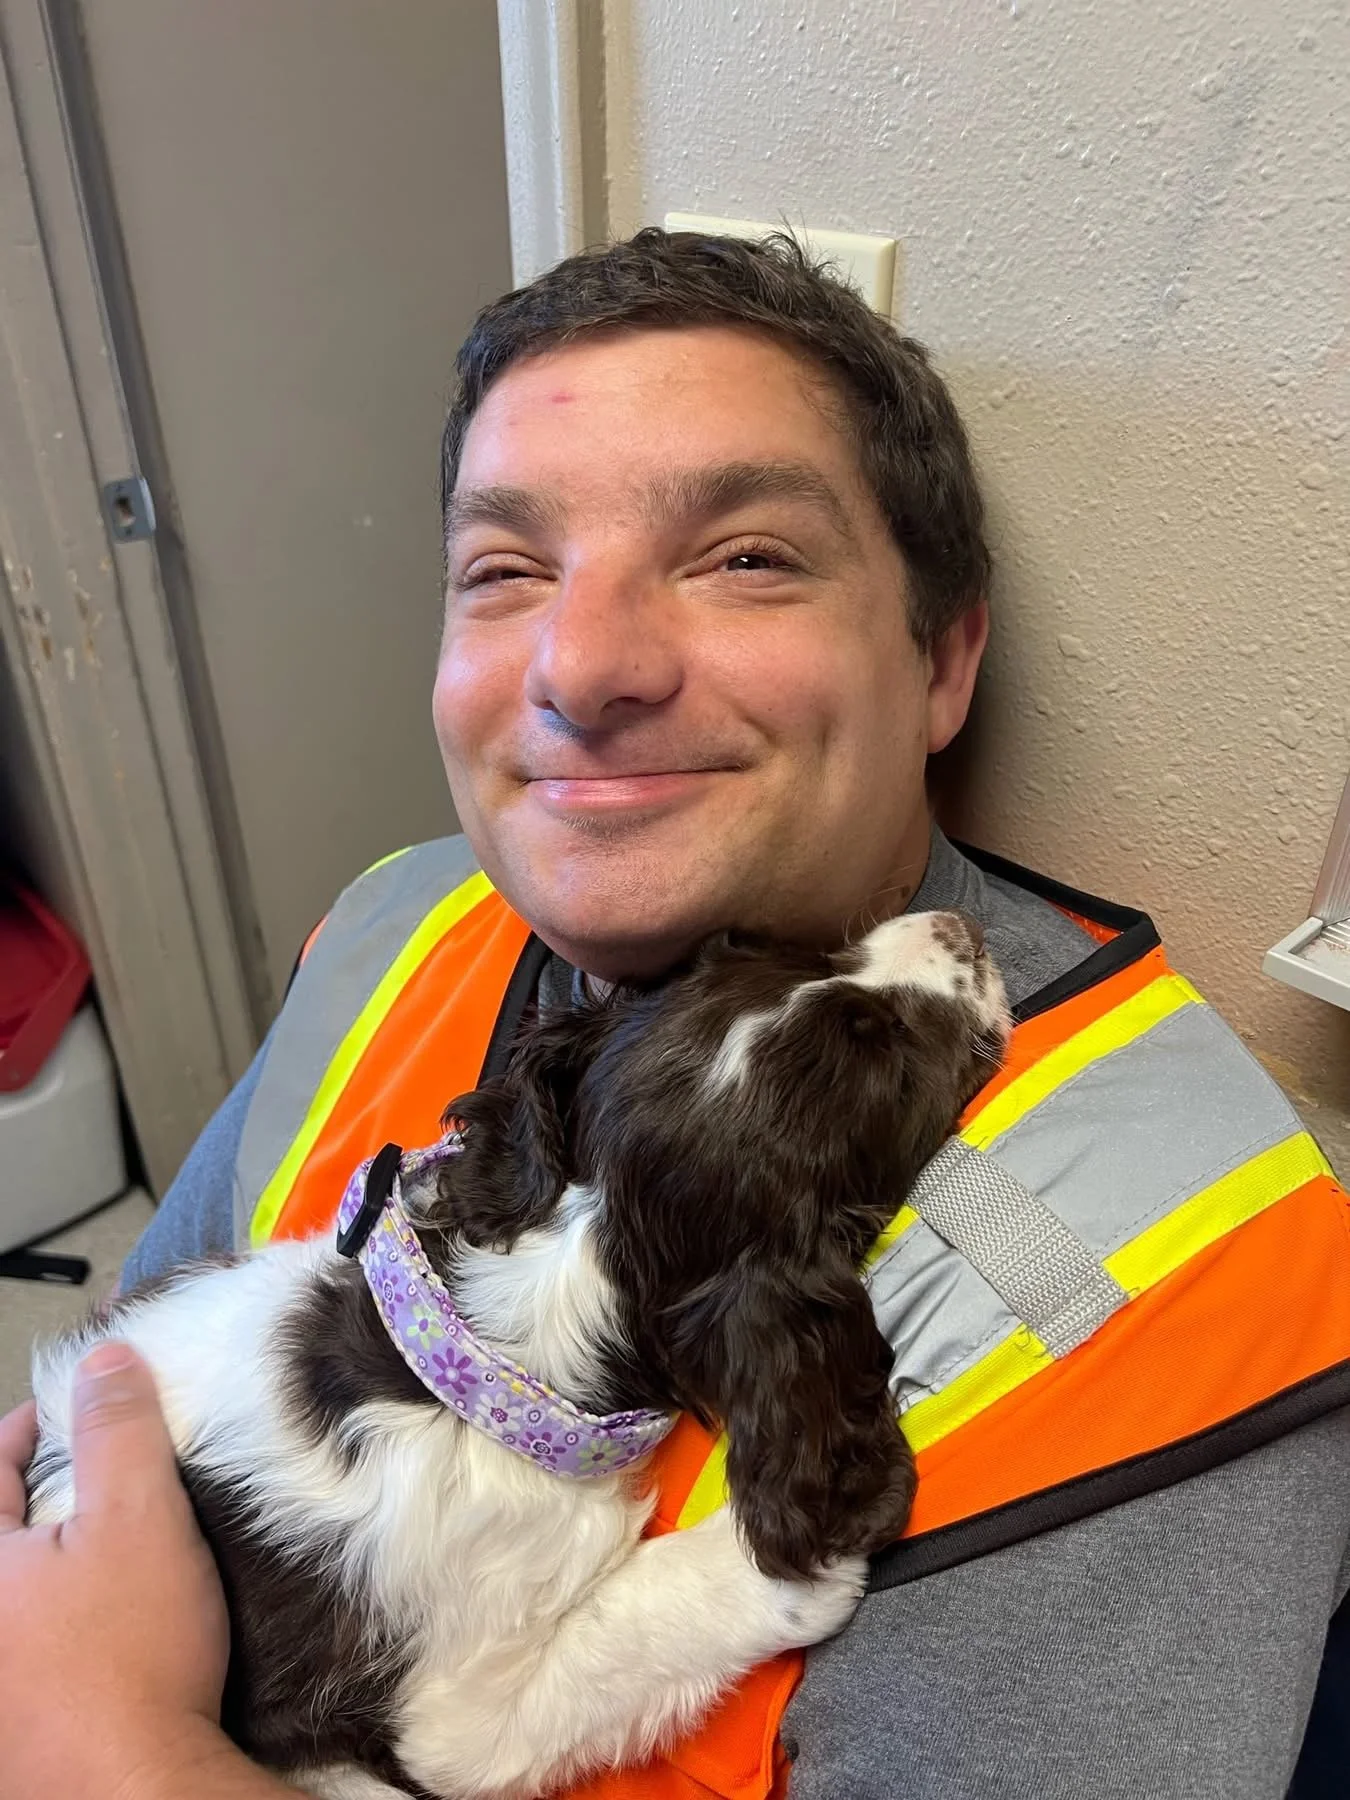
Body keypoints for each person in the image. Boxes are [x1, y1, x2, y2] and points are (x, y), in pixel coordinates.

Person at [3, 230, 1348, 1800]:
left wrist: (113, 1755)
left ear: (940, 659)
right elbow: (98, 1444)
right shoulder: (399, 916)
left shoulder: (1174, 1300)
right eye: (506, 570)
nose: (581, 665)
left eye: (744, 556)